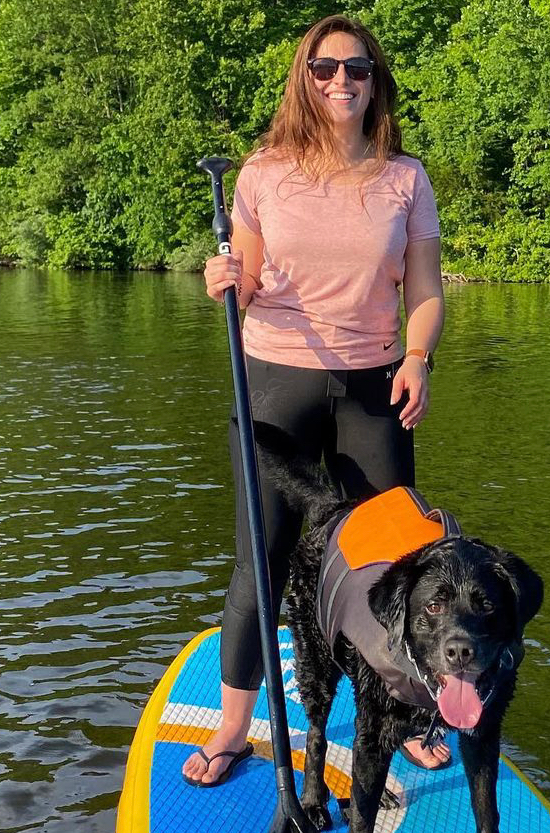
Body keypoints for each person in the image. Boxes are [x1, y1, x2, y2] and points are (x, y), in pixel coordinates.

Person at [181, 14, 448, 787]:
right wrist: (225, 281)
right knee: (260, 561)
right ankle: (234, 727)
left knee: (395, 562)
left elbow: (424, 289)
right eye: (325, 69)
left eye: (357, 69)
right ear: (305, 77)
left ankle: (403, 714)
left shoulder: (406, 176)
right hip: (276, 377)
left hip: (374, 381)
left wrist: (420, 356)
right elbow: (250, 277)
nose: (341, 82)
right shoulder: (263, 173)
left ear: (375, 81)